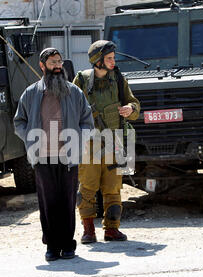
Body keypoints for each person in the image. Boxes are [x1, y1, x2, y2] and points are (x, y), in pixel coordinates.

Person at [14, 48, 94, 261]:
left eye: (59, 61)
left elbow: (88, 121)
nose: (58, 66)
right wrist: (30, 138)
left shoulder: (74, 92)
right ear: (42, 66)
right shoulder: (31, 93)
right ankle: (51, 246)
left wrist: (79, 139)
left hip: (68, 158)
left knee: (67, 202)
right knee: (48, 204)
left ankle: (68, 245)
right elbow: (18, 121)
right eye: (52, 62)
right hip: (42, 158)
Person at [73, 40, 140, 244]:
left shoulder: (119, 79)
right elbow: (70, 109)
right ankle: (88, 230)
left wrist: (130, 109)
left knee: (113, 188)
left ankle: (112, 229)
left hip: (114, 142)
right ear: (97, 61)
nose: (113, 61)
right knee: (87, 188)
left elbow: (134, 103)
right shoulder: (82, 80)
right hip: (89, 144)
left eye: (113, 58)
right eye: (109, 58)